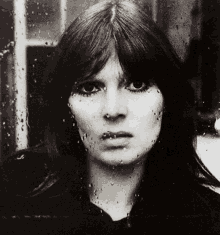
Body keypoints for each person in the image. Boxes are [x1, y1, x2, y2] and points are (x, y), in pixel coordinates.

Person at [1, 0, 220, 234]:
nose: (113, 110)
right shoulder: (14, 207)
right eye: (89, 88)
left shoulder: (208, 220)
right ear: (65, 105)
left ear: (168, 99)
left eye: (137, 84)